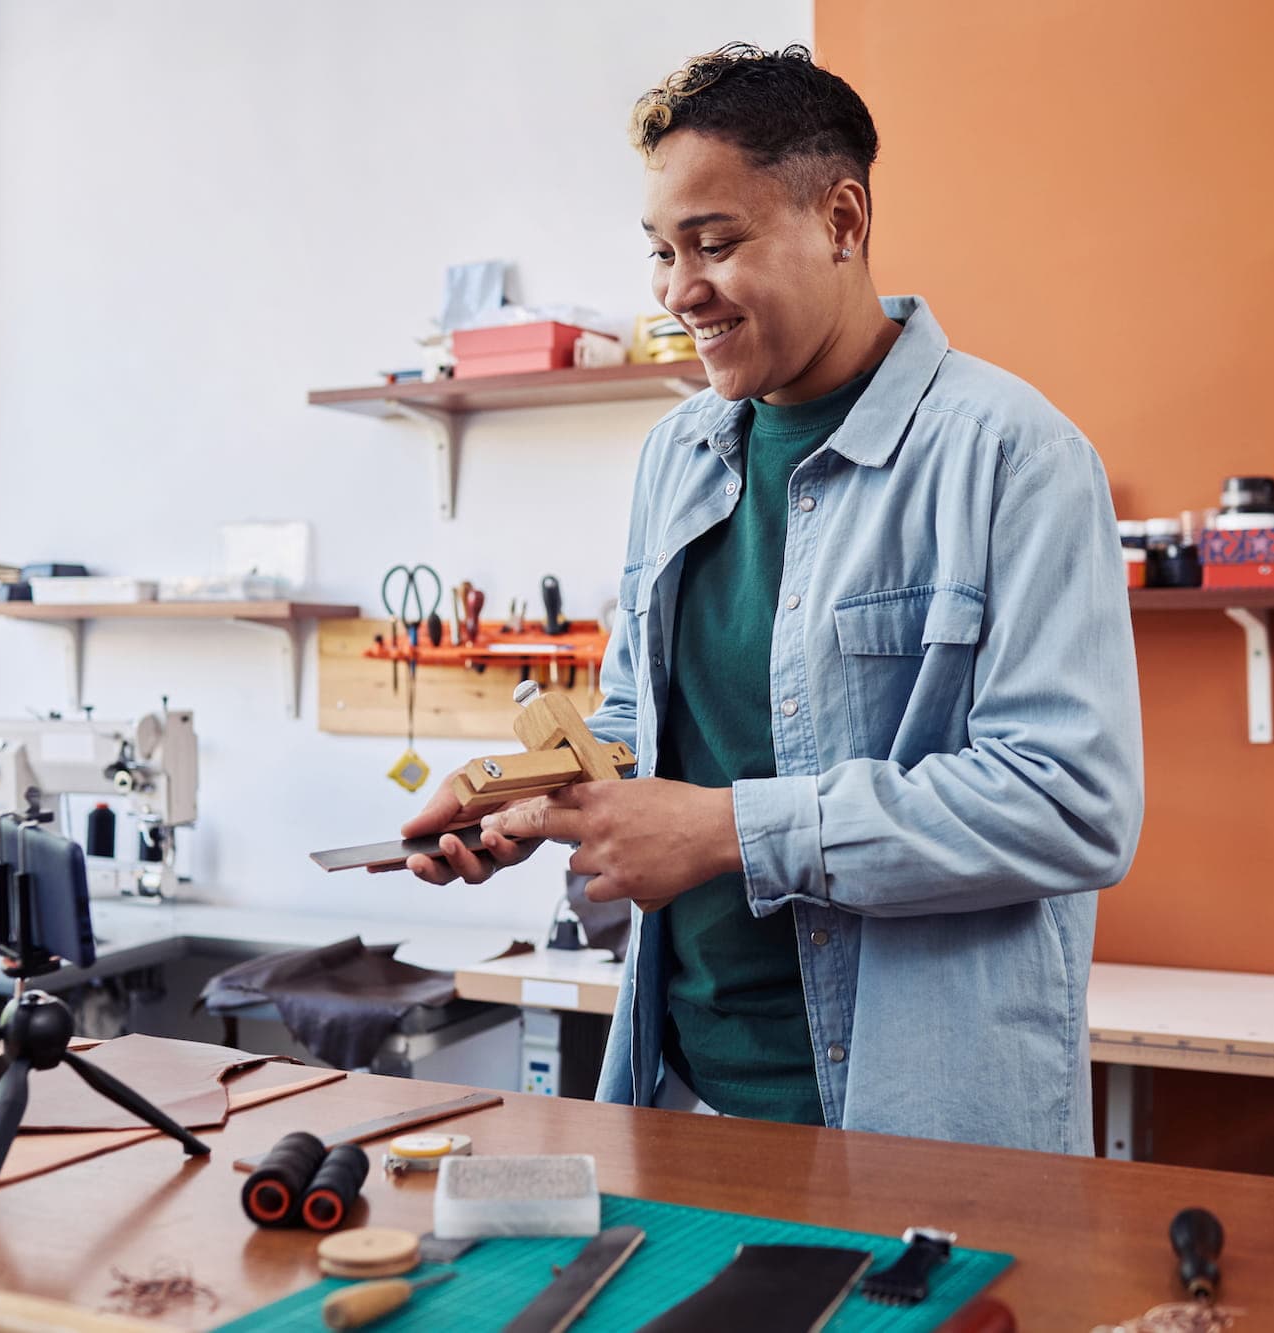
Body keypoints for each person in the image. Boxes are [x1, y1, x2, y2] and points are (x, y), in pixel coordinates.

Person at [399, 43, 1142, 1155]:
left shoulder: (1012, 456)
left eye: (714, 243)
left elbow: (1070, 802)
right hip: (680, 1088)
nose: (675, 290)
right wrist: (519, 794)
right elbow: (637, 726)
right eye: (658, 251)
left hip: (913, 1121)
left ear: (840, 220)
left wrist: (725, 830)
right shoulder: (677, 455)